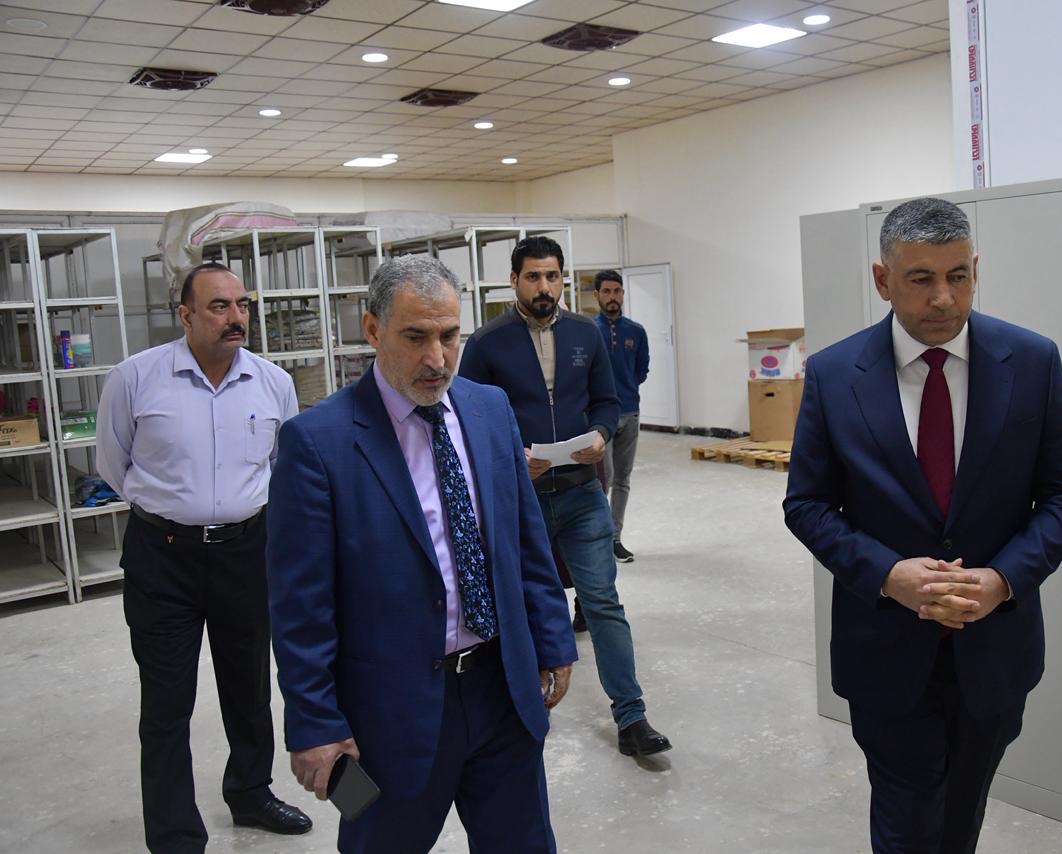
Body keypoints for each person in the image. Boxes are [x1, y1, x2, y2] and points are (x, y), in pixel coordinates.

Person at [783, 197, 1062, 854]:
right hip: (885, 650)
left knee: (962, 813)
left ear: (976, 269)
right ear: (882, 279)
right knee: (906, 818)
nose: (944, 298)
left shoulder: (1031, 361)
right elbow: (806, 504)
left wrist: (1003, 579)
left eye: (958, 275)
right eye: (921, 278)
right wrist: (887, 574)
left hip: (993, 651)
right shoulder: (836, 374)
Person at [266, 255, 577, 853]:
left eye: (449, 336)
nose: (437, 359)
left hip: (501, 691)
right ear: (373, 329)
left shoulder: (489, 409)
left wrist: (553, 639)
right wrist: (315, 721)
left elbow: (524, 540)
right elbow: (300, 606)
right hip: (388, 714)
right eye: (415, 337)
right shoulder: (319, 442)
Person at [96, 261, 310, 853]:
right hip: (162, 558)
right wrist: (175, 510)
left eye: (242, 305)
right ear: (186, 316)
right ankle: (174, 833)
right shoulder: (135, 379)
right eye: (219, 307)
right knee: (166, 701)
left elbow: (282, 468)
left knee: (249, 688)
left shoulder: (273, 383)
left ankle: (251, 792)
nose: (236, 317)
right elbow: (113, 465)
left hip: (247, 552)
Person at [458, 236, 672, 758]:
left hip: (580, 494)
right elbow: (466, 417)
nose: (544, 287)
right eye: (533, 277)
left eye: (552, 276)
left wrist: (600, 434)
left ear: (562, 279)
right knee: (521, 605)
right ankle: (523, 709)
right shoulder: (486, 343)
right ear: (514, 281)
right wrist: (512, 456)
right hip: (521, 501)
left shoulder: (584, 333)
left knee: (602, 601)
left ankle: (632, 717)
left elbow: (607, 401)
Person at [593, 270, 649, 563]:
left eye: (617, 291)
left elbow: (641, 370)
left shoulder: (636, 332)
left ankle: (615, 538)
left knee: (623, 479)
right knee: (604, 479)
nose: (612, 297)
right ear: (597, 295)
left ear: (622, 294)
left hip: (630, 412)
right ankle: (599, 538)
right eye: (606, 291)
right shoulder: (589, 331)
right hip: (601, 418)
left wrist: (625, 390)